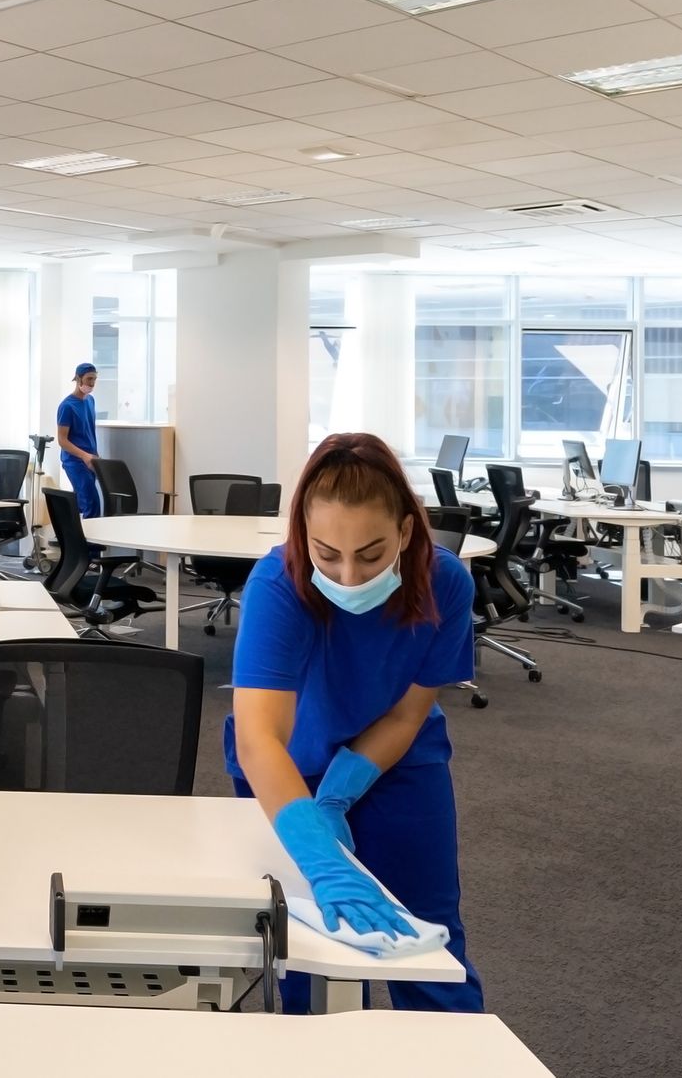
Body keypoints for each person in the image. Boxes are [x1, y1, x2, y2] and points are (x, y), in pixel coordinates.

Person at [228, 432, 483, 1014]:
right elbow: (259, 738)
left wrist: (340, 795)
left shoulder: (445, 583)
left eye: (370, 555)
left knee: (425, 934)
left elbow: (405, 714)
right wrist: (318, 855)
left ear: (405, 533)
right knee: (307, 943)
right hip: (287, 763)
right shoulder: (278, 585)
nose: (347, 577)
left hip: (398, 761)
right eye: (326, 554)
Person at [56, 363, 101, 518]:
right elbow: (62, 440)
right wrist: (84, 456)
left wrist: (93, 456)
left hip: (90, 459)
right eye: (89, 379)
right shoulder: (67, 406)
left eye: (94, 379)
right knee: (92, 503)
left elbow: (89, 432)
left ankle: (68, 535)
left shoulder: (90, 401)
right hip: (74, 461)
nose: (92, 383)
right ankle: (91, 542)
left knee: (81, 503)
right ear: (78, 379)